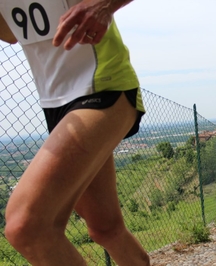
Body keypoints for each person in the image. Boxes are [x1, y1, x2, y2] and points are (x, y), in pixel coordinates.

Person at [0, 0, 150, 265]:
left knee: (26, 225)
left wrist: (103, 6)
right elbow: (11, 33)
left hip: (103, 84)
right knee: (105, 229)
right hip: (55, 102)